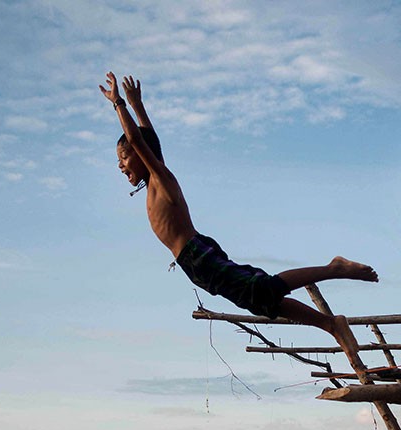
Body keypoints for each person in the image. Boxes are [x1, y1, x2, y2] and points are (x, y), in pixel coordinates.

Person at [99, 72, 376, 353]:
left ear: (139, 153)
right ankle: (330, 325)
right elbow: (149, 140)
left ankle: (335, 269)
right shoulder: (156, 181)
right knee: (263, 302)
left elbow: (138, 138)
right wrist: (138, 106)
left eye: (124, 157)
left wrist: (119, 103)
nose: (121, 165)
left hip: (199, 257)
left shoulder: (162, 180)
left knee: (263, 291)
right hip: (195, 262)